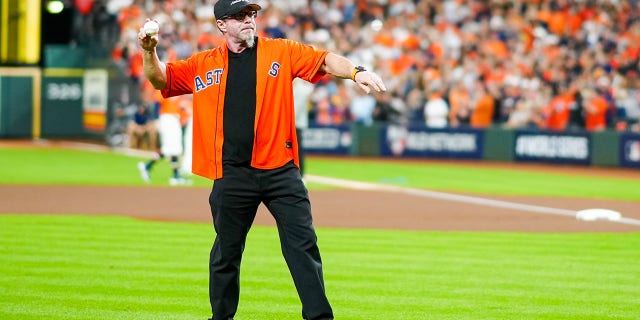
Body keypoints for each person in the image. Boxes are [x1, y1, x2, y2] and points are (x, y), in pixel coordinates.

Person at [137, 1, 386, 319]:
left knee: (303, 247)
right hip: (232, 174)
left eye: (252, 14)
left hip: (280, 171)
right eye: (240, 16)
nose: (249, 20)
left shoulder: (280, 51)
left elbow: (324, 61)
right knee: (226, 253)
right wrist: (148, 50)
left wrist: (356, 72)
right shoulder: (204, 63)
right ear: (222, 25)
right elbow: (161, 80)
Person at [137, 95, 190, 186]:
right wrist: (155, 118)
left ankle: (174, 175)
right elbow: (157, 102)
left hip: (173, 119)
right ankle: (149, 166)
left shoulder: (180, 93)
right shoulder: (168, 88)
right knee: (171, 149)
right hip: (168, 118)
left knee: (174, 149)